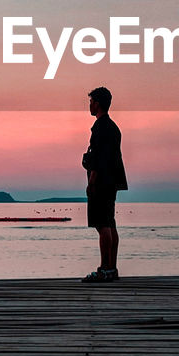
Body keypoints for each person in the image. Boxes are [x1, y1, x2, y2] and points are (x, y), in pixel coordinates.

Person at [81, 86, 128, 282]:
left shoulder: (100, 128)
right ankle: (112, 268)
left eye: (91, 102)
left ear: (97, 103)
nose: (89, 106)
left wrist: (92, 181)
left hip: (101, 182)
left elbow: (100, 158)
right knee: (110, 223)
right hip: (112, 182)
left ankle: (104, 269)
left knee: (102, 225)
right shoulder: (114, 128)